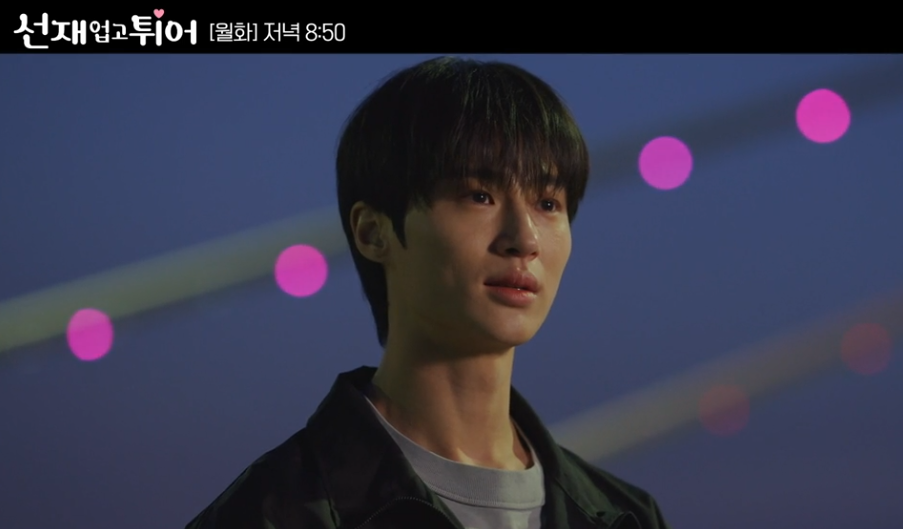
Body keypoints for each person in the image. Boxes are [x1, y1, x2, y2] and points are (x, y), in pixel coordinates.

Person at [185, 56, 671, 529]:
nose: (524, 240)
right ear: (372, 232)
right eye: (479, 195)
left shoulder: (626, 516)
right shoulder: (275, 514)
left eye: (548, 203)